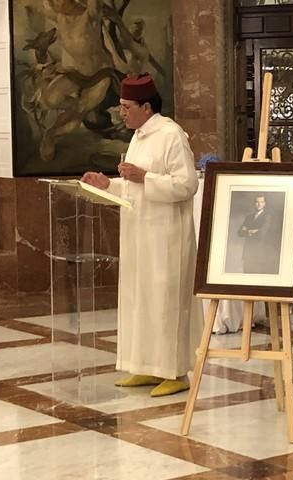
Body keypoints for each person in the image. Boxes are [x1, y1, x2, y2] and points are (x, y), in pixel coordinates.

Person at [82, 73, 199, 397]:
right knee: (140, 301)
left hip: (166, 236)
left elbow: (187, 184)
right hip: (139, 232)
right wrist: (109, 184)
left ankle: (175, 372)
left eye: (125, 106)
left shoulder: (171, 134)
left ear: (146, 107)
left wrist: (145, 176)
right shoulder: (138, 137)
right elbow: (136, 185)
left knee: (165, 303)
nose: (121, 112)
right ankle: (146, 367)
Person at [238, 194, 279, 274]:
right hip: (247, 254)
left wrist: (247, 230)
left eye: (261, 202)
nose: (259, 204)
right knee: (246, 278)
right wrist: (251, 231)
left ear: (265, 203)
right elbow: (240, 232)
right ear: (254, 203)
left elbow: (261, 233)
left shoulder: (267, 217)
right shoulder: (248, 217)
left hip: (259, 255)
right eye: (257, 202)